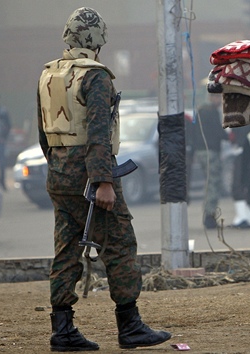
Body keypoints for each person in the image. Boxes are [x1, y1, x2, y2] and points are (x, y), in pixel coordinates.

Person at [37, 7, 171, 351]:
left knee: (66, 249)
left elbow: (43, 133)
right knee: (120, 244)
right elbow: (98, 132)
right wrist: (103, 181)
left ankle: (62, 331)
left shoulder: (48, 74)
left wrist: (59, 168)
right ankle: (130, 325)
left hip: (58, 174)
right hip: (90, 174)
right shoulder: (95, 76)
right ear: (96, 40)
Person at [186, 93, 229, 229]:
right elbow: (218, 131)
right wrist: (229, 137)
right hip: (211, 151)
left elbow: (192, 133)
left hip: (200, 151)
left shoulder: (199, 111)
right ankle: (210, 215)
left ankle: (208, 213)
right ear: (212, 97)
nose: (220, 101)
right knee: (213, 183)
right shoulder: (212, 112)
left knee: (208, 182)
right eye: (218, 97)